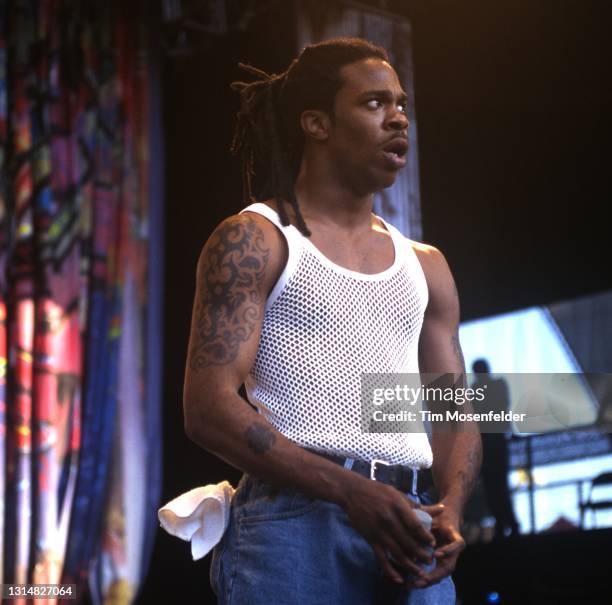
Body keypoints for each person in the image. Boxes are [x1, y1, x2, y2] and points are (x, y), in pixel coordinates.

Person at [183, 37, 482, 604]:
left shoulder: (428, 265)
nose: (397, 118)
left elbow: (454, 408)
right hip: (294, 524)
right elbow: (207, 409)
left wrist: (453, 510)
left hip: (411, 525)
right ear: (316, 123)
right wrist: (351, 492)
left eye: (401, 105)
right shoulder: (256, 238)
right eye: (373, 103)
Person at [472, 359, 519, 539]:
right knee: (498, 485)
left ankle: (504, 523)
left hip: (487, 443)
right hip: (494, 441)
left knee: (493, 486)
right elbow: (503, 410)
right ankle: (508, 522)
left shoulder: (477, 390)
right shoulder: (495, 386)